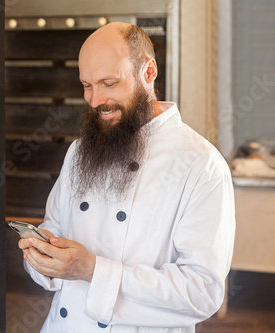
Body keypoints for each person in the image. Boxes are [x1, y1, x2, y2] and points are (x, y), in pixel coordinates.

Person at [18, 22, 236, 332]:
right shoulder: (80, 149)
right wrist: (43, 259)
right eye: (87, 85)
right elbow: (54, 227)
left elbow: (202, 292)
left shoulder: (201, 165)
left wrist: (93, 270)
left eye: (108, 83)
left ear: (148, 72)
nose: (95, 100)